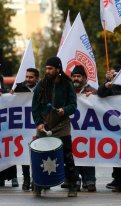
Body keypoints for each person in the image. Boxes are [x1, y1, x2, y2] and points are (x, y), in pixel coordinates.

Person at [32, 56, 78, 197]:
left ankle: (72, 185)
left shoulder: (67, 84)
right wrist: (39, 122)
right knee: (40, 155)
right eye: (46, 68)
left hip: (62, 125)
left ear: (58, 69)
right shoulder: (41, 85)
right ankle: (39, 185)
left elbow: (73, 105)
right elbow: (35, 107)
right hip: (44, 125)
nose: (47, 71)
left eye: (50, 68)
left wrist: (65, 110)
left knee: (67, 156)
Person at [9, 68, 40, 190]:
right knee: (24, 154)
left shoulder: (42, 88)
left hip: (38, 124)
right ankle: (26, 180)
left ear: (37, 78)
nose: (28, 79)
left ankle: (37, 179)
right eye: (26, 76)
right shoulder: (19, 88)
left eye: (31, 77)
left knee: (38, 153)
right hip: (23, 126)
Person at [69, 65, 97, 192]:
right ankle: (76, 180)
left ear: (85, 78)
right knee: (73, 155)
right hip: (71, 129)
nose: (76, 79)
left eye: (78, 76)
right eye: (74, 76)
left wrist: (95, 95)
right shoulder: (68, 91)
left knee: (87, 153)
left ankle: (90, 180)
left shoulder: (91, 90)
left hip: (88, 129)